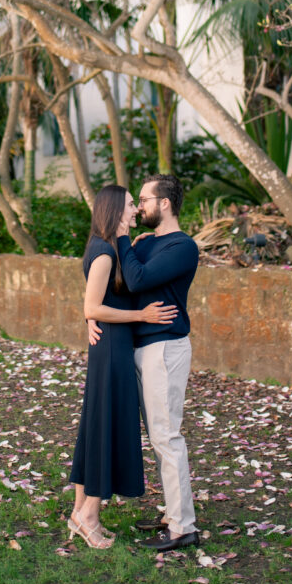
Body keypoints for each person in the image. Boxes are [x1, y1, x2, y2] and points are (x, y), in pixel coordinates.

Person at [89, 173, 200, 553]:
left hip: (165, 348)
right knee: (158, 436)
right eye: (133, 203)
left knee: (167, 436)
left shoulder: (182, 247)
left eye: (143, 200)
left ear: (164, 204)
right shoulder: (148, 242)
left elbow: (135, 280)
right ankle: (172, 514)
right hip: (142, 347)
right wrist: (92, 316)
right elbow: (113, 283)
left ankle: (183, 527)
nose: (137, 207)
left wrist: (122, 233)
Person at [68, 184, 178, 550]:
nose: (135, 210)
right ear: (115, 211)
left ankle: (79, 511)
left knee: (97, 424)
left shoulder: (112, 247)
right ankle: (89, 517)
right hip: (113, 350)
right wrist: (141, 314)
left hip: (111, 347)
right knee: (108, 427)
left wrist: (136, 240)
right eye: (131, 205)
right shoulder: (103, 254)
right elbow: (91, 308)